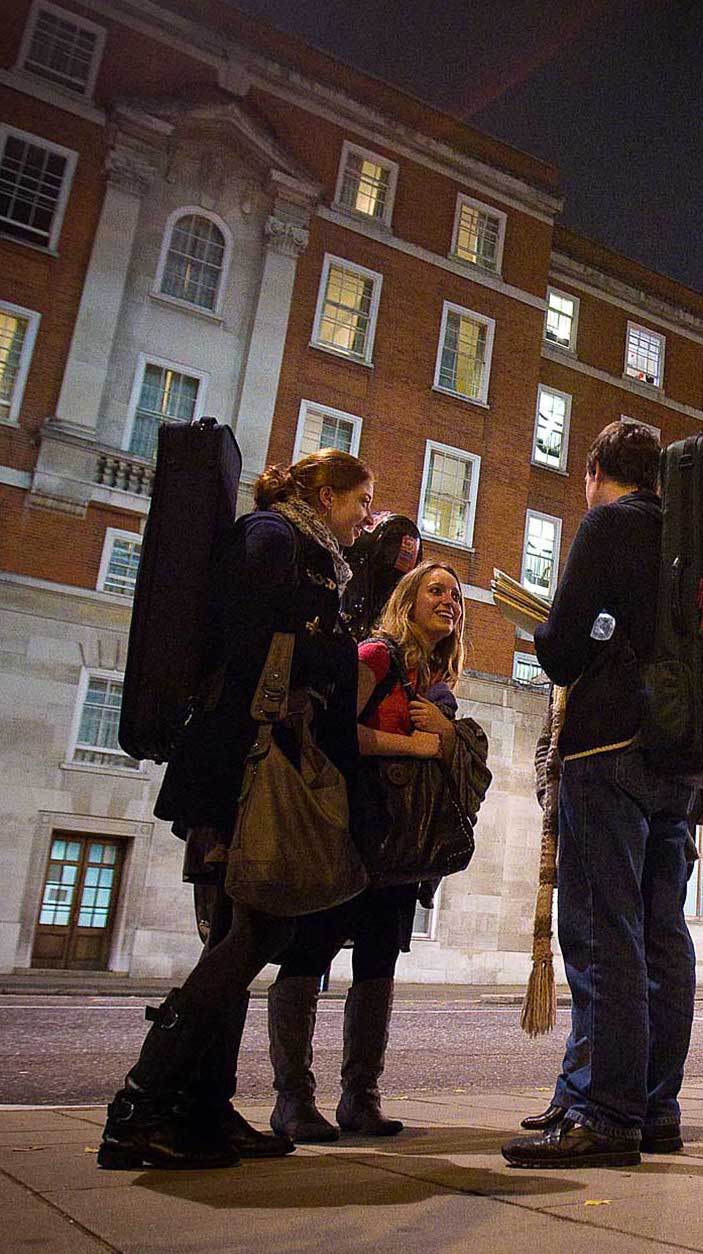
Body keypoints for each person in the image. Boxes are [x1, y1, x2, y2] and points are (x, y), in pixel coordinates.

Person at [97, 448, 374, 1170]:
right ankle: (142, 1105)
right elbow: (249, 640)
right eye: (360, 499)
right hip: (240, 762)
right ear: (323, 491)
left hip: (252, 757)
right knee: (250, 934)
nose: (367, 515)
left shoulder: (304, 549)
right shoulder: (273, 537)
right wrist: (329, 660)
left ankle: (202, 1109)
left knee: (236, 935)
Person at [504, 420, 694, 1169]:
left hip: (607, 746)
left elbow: (562, 648)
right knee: (661, 934)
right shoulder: (689, 535)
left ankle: (604, 1112)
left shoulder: (608, 523)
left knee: (599, 929)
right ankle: (653, 1105)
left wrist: (553, 631)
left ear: (595, 471)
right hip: (676, 758)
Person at [268, 562, 474, 1141]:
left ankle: (361, 1096)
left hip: (396, 842)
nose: (449, 601)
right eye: (436, 590)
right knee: (310, 951)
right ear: (407, 601)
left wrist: (442, 736)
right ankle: (292, 1099)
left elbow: (443, 750)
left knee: (378, 961)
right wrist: (416, 744)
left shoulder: (431, 678)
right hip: (347, 827)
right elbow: (336, 732)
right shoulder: (376, 657)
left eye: (456, 596)